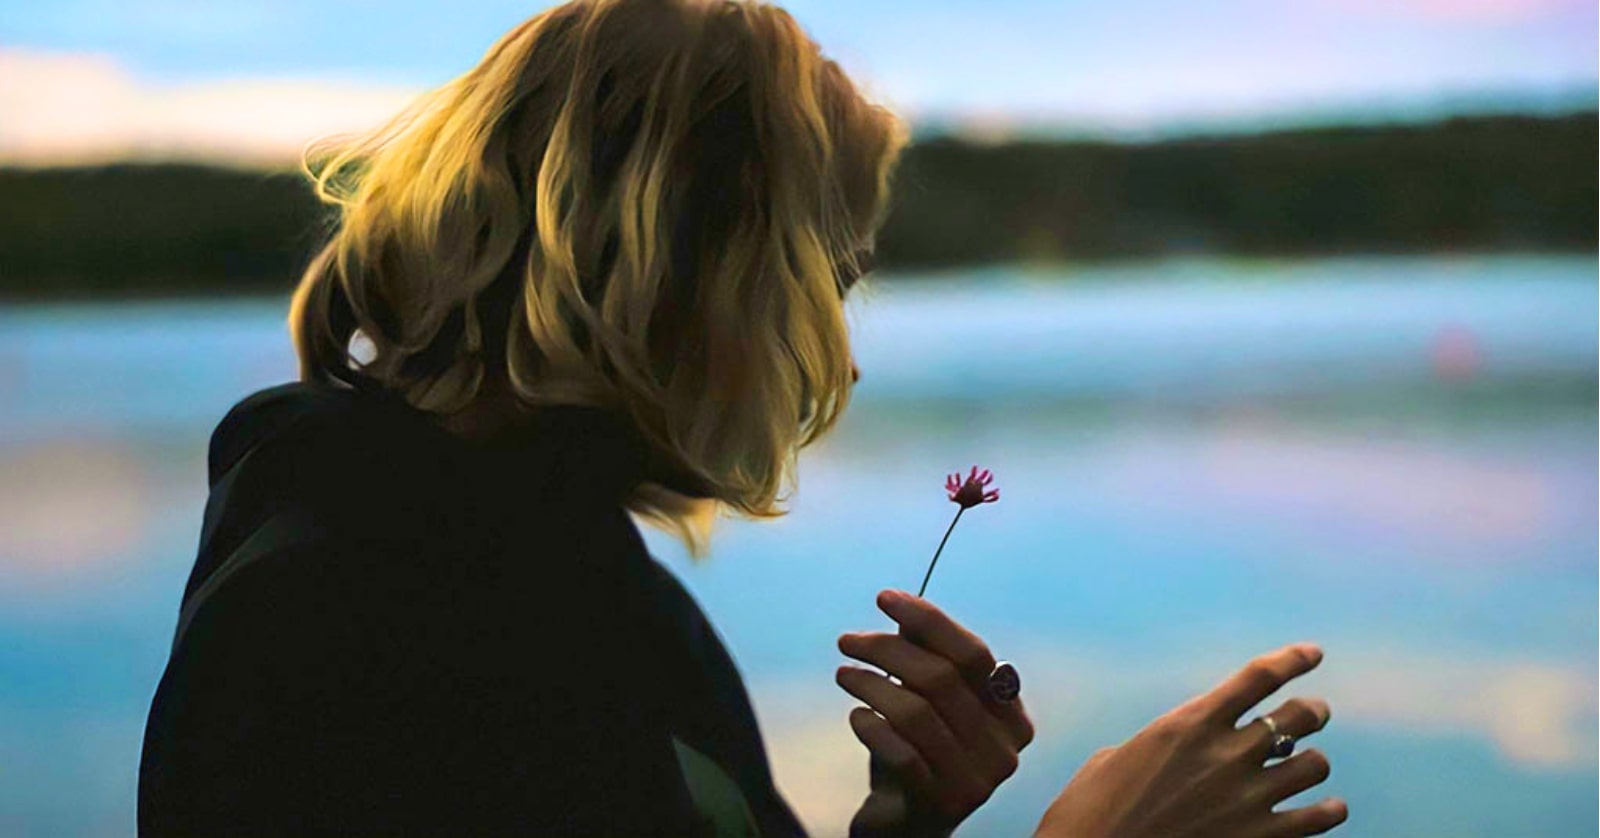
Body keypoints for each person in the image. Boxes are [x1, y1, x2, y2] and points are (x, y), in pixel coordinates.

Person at [137, 0, 1349, 835]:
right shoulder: (342, 619)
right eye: (832, 271)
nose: (839, 351)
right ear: (686, 257)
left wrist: (902, 825)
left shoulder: (567, 572)